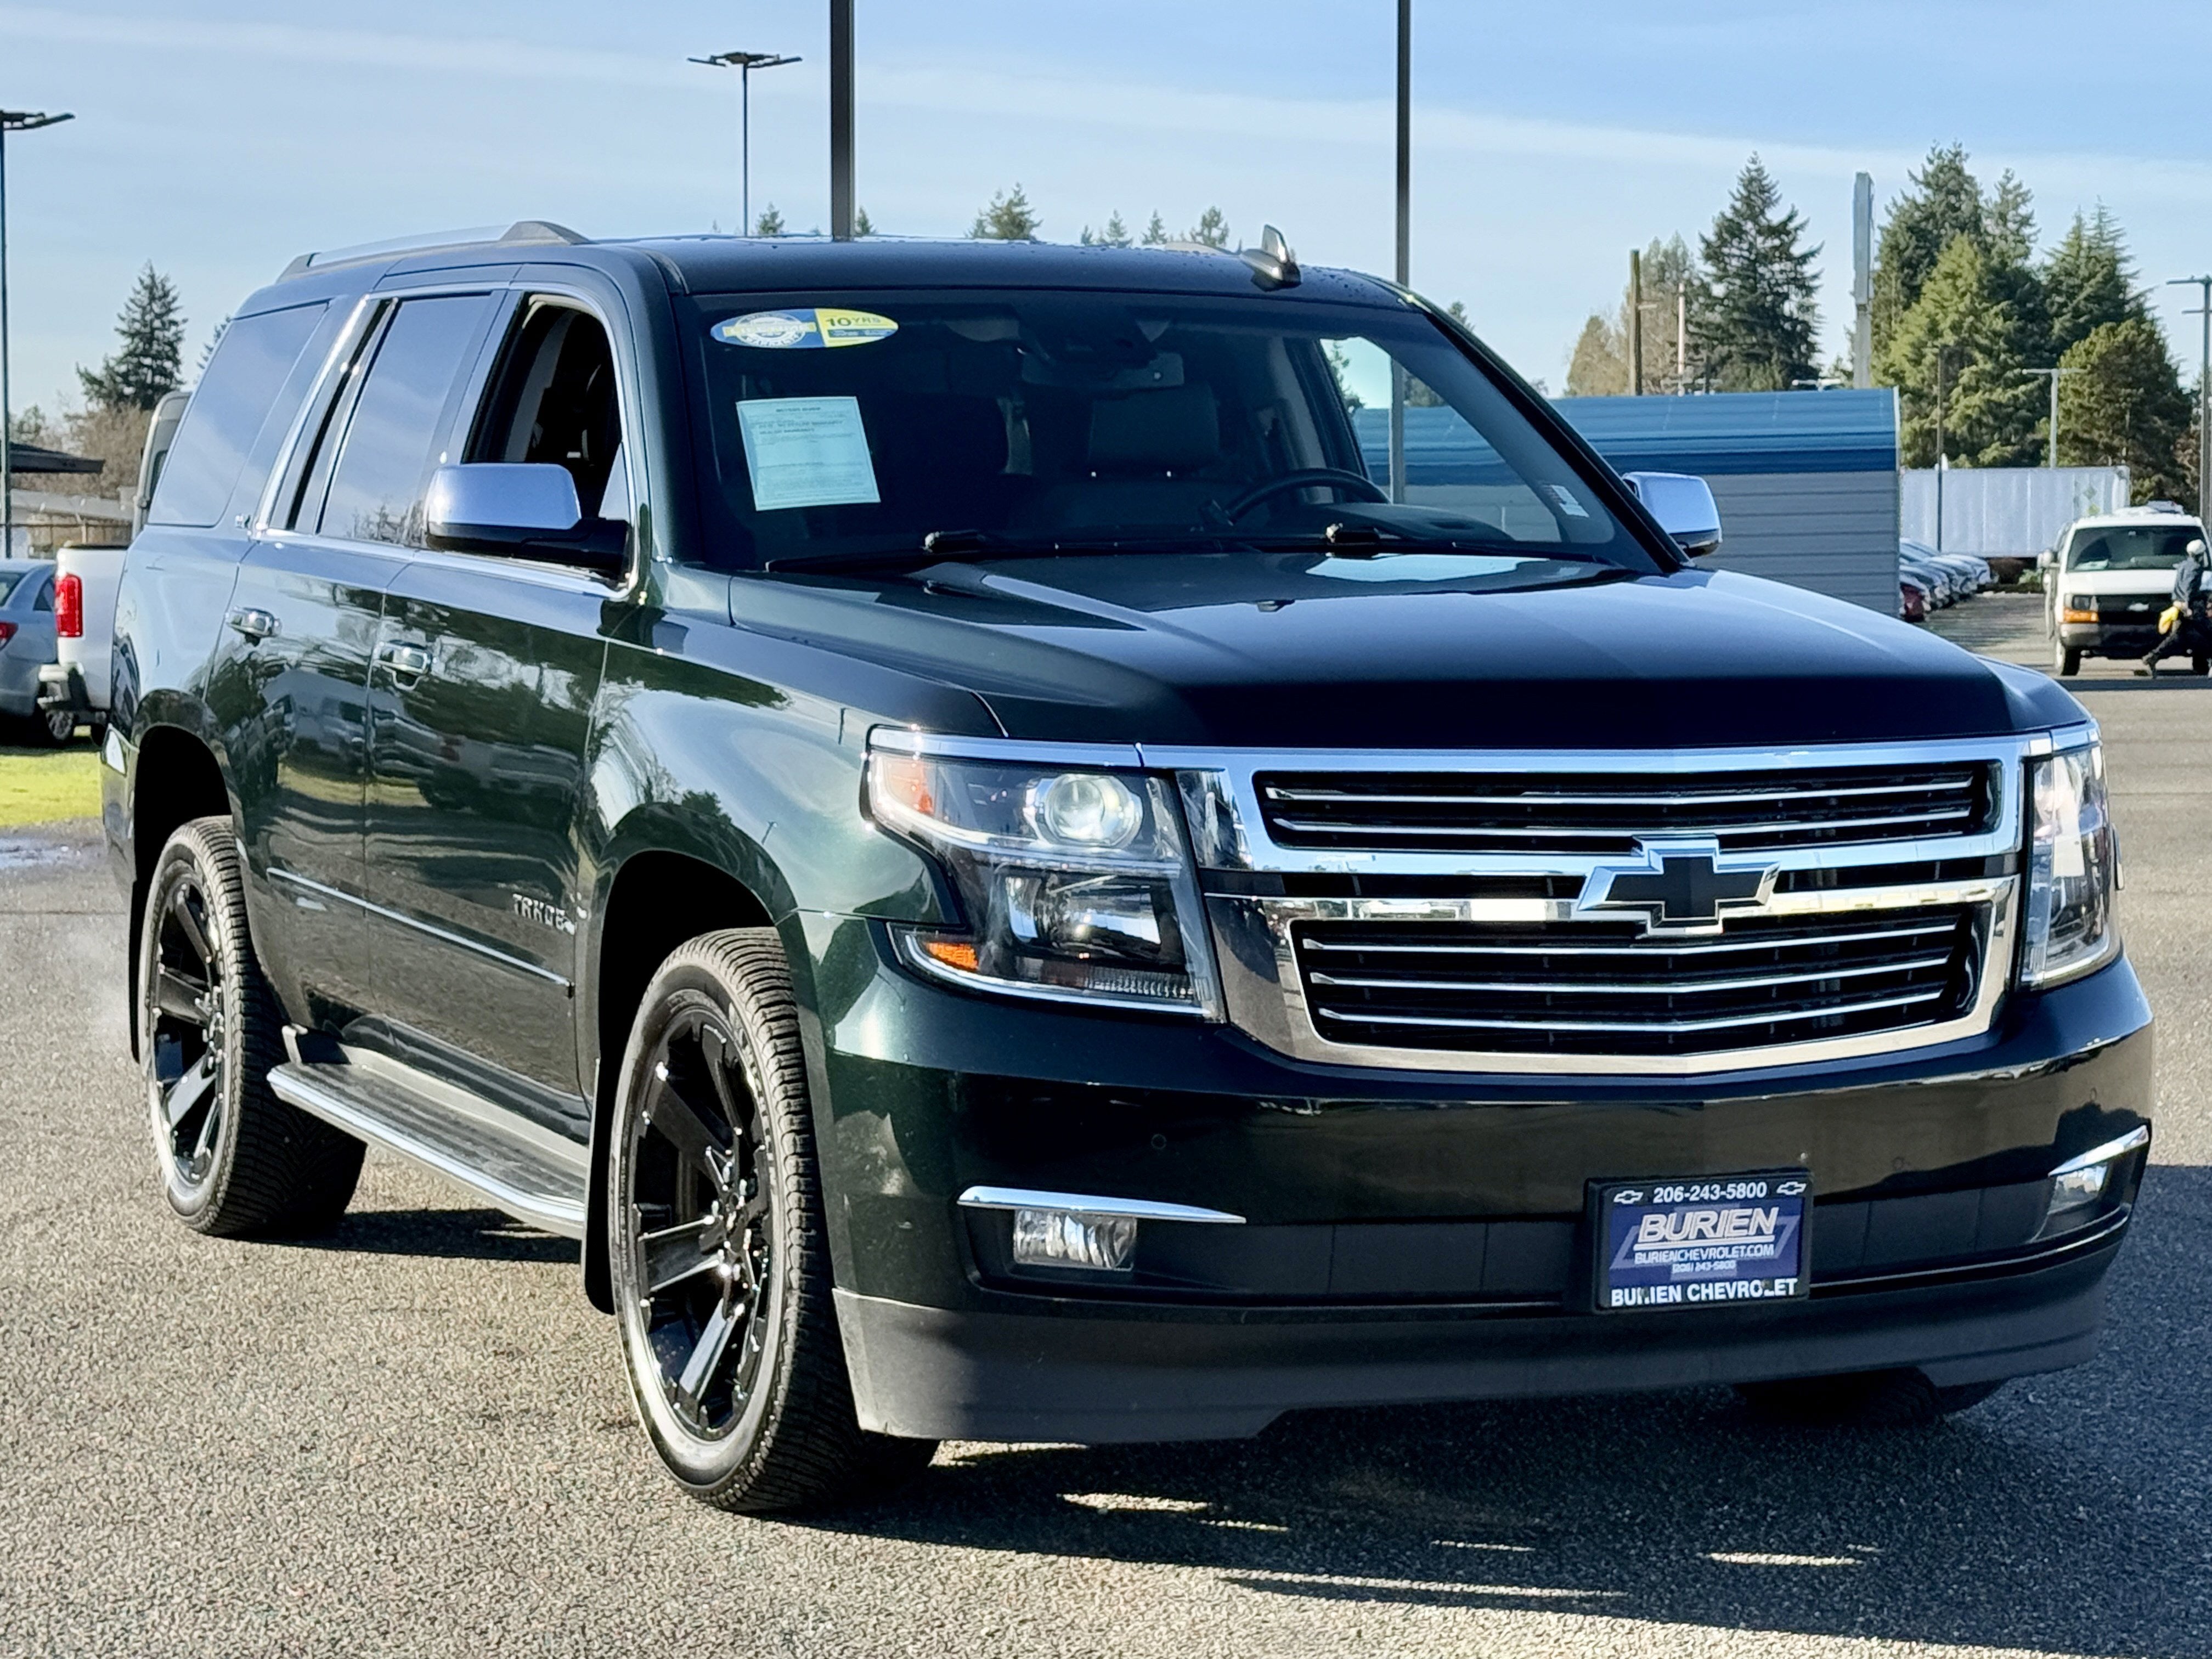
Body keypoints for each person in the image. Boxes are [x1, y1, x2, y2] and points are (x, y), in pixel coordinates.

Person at [2139, 536, 2212, 676]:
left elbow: (2180, 586)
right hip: (2189, 607)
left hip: (2177, 605)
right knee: (2208, 633)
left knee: (2177, 637)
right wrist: (2189, 606)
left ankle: (2153, 657)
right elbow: (2189, 588)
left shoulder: (2183, 565)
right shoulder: (2196, 568)